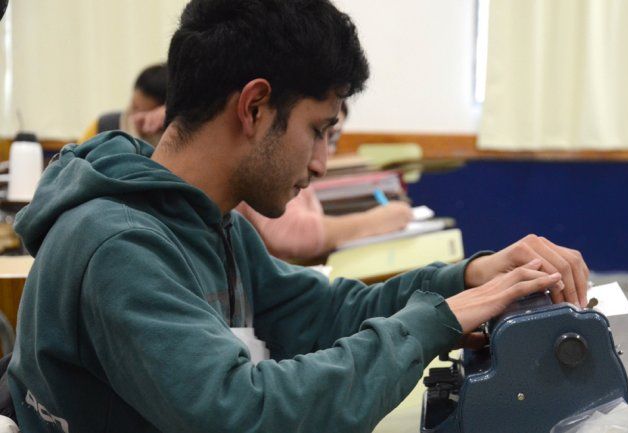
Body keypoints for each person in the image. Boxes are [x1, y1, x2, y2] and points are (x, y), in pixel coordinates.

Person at [9, 0, 589, 432]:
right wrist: (433, 322)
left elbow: (320, 313)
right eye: (319, 130)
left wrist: (464, 281)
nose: (319, 164)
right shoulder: (120, 247)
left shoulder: (213, 223)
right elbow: (242, 413)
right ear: (255, 106)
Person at [235, 101, 413, 260]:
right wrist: (377, 221)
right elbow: (292, 234)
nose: (324, 161)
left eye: (334, 138)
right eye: (317, 132)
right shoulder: (267, 162)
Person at [78, 63, 169, 146]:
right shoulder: (103, 126)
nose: (135, 118)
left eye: (146, 116)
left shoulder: (175, 142)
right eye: (134, 107)